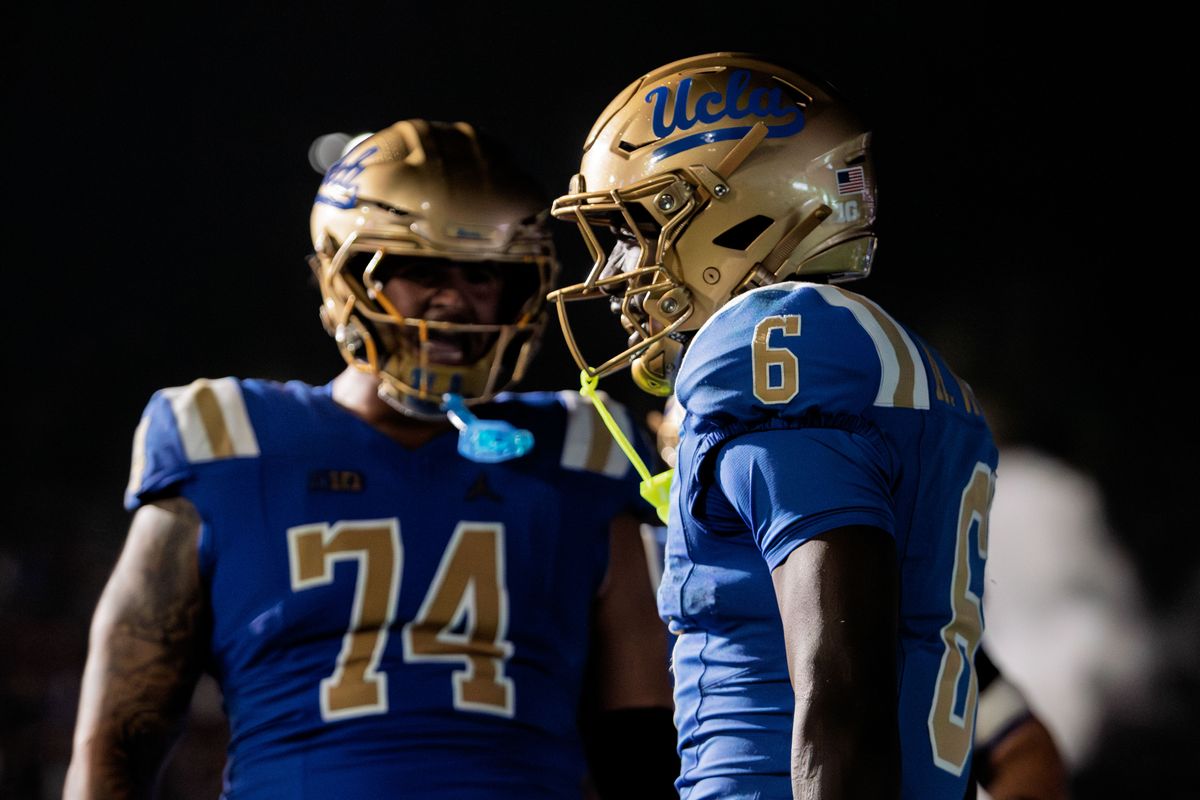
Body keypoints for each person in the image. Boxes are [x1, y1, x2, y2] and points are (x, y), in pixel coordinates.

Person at [64, 119, 675, 799]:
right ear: (338, 273)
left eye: (483, 274)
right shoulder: (226, 436)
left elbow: (642, 736)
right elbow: (120, 734)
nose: (453, 300)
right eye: (416, 269)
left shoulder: (581, 443)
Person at [547, 53, 999, 798]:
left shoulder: (781, 340)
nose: (615, 271)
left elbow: (840, 687)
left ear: (736, 210)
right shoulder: (894, 360)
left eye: (635, 227)